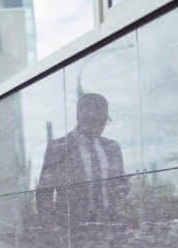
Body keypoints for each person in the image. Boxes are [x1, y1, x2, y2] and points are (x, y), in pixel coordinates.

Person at [37, 93, 129, 225]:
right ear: (80, 115)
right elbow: (44, 194)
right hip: (74, 230)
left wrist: (122, 187)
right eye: (94, 119)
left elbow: (121, 187)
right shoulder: (58, 147)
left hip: (109, 227)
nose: (100, 125)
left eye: (104, 120)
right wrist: (54, 227)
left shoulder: (112, 147)